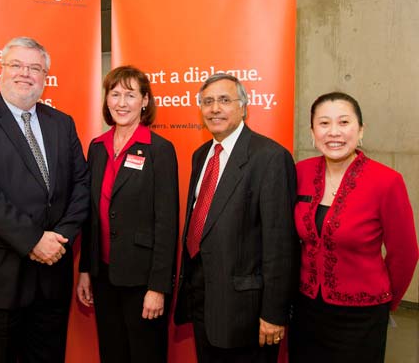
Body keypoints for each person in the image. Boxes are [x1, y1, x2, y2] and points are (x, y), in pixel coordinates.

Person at [0, 36, 89, 363]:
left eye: (35, 68)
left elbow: (81, 184)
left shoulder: (62, 123)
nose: (25, 73)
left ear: (45, 77)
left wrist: (60, 239)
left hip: (53, 274)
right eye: (17, 65)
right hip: (1, 278)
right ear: (2, 70)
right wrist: (34, 240)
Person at [174, 73, 298, 363]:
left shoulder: (270, 157)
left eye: (224, 100)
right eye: (207, 102)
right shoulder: (201, 154)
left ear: (244, 107)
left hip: (247, 313)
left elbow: (280, 245)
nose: (215, 108)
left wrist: (273, 313)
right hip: (202, 299)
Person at [288, 92, 418, 362]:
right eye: (323, 124)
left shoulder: (386, 181)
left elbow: (405, 253)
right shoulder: (300, 172)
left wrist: (385, 303)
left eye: (344, 122)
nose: (333, 132)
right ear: (312, 132)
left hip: (362, 315)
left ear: (360, 130)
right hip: (306, 309)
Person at [76, 66, 179, 363]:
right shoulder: (97, 148)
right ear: (107, 100)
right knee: (112, 353)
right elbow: (89, 216)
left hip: (143, 279)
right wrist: (85, 269)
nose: (122, 103)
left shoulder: (159, 150)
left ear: (145, 101)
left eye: (130, 95)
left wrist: (158, 288)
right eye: (116, 94)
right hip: (103, 276)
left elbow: (167, 222)